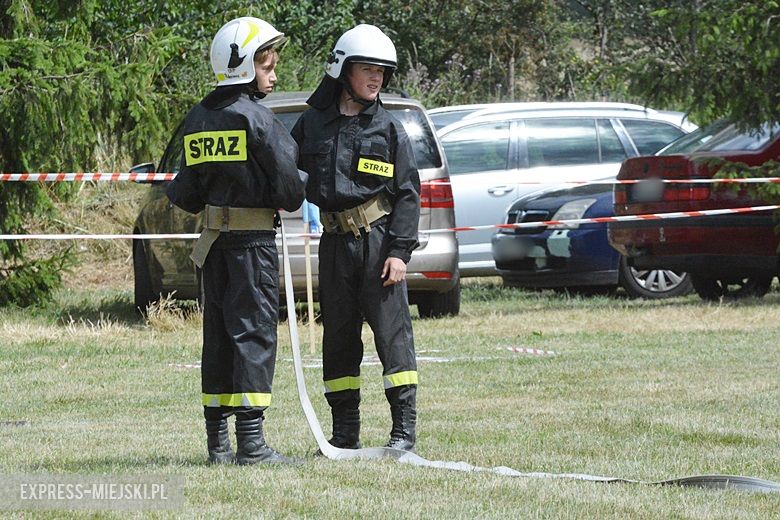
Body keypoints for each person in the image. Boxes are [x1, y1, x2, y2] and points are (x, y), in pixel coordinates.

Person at [166, 17, 307, 465]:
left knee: (218, 338)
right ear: (246, 64)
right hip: (252, 247)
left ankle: (218, 445)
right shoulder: (259, 119)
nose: (275, 73)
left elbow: (184, 195)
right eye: (269, 65)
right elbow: (291, 193)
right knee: (254, 334)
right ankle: (252, 444)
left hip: (213, 247)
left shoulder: (198, 117)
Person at [291, 24, 421, 452]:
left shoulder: (389, 129)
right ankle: (345, 433)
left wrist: (399, 252)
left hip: (379, 245)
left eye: (382, 71)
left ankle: (403, 432)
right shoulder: (311, 125)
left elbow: (407, 194)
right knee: (339, 341)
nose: (376, 78)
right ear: (342, 71)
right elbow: (284, 172)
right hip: (333, 246)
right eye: (367, 68)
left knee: (392, 338)